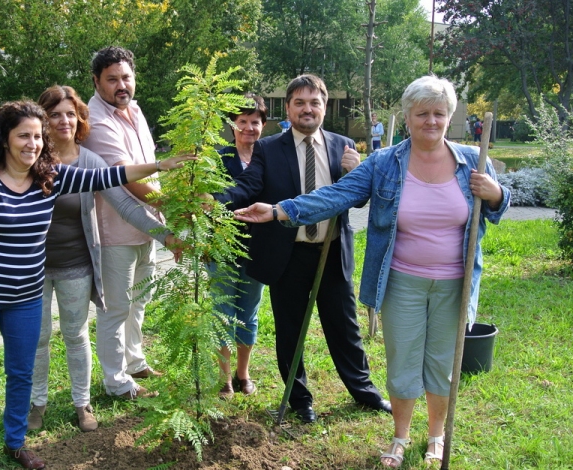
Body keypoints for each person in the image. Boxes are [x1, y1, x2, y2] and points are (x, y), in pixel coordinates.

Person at [233, 75, 510, 467]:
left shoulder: (471, 162)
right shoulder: (385, 163)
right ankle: (398, 435)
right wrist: (280, 210)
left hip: (454, 282)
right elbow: (336, 195)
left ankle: (435, 436)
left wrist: (495, 193)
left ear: (448, 116)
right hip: (399, 278)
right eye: (421, 114)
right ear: (407, 117)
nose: (430, 121)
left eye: (438, 113)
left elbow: (498, 207)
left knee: (440, 361)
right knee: (401, 360)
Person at [0, 100, 192, 470]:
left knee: (21, 372)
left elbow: (108, 175)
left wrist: (160, 165)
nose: (32, 143)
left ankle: (15, 443)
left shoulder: (51, 178)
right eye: (23, 136)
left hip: (25, 299)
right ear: (4, 139)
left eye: (37, 136)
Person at [213, 74, 392, 424]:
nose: (307, 109)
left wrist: (355, 176)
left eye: (314, 102)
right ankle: (300, 400)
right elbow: (249, 186)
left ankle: (363, 391)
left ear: (324, 107)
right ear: (288, 108)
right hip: (287, 254)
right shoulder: (268, 148)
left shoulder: (343, 146)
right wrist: (216, 199)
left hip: (331, 252)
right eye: (299, 102)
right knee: (290, 329)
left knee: (344, 326)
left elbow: (356, 201)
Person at [27, 86, 180, 433]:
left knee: (76, 334)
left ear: (80, 118)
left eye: (70, 113)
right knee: (37, 337)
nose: (63, 121)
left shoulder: (89, 161)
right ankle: (37, 403)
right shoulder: (29, 159)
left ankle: (82, 403)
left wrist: (165, 236)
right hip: (32, 268)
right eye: (54, 114)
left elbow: (125, 204)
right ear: (42, 120)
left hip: (75, 266)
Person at [82, 46, 164, 398]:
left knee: (140, 300)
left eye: (126, 77)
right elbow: (123, 177)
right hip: (115, 230)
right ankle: (116, 382)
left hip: (148, 224)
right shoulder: (95, 120)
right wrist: (173, 206)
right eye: (112, 79)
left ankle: (135, 361)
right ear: (97, 81)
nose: (121, 85)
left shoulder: (134, 110)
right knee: (116, 307)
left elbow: (149, 163)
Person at [210, 93, 267, 399]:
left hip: (257, 249)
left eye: (254, 122)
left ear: (263, 124)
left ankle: (243, 374)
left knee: (248, 313)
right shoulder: (218, 160)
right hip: (222, 249)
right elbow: (205, 204)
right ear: (232, 126)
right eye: (242, 122)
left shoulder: (269, 158)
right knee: (222, 312)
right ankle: (224, 379)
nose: (248, 128)